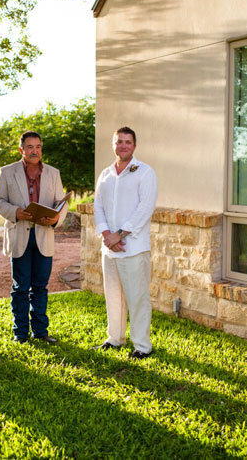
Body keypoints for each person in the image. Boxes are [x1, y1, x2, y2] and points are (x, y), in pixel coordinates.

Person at [0, 130, 68, 344]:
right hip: (19, 235)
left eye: (38, 147)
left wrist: (55, 219)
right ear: (21, 150)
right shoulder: (7, 172)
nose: (35, 151)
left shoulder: (53, 173)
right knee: (20, 287)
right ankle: (20, 333)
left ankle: (41, 332)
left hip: (44, 235)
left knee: (41, 287)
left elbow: (61, 204)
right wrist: (16, 212)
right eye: (30, 147)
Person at [93, 126, 158, 359]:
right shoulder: (105, 174)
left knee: (137, 298)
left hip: (133, 248)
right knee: (113, 295)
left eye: (127, 142)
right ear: (113, 144)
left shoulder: (145, 172)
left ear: (135, 145)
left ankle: (142, 345)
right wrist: (106, 235)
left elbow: (145, 208)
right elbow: (98, 206)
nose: (123, 145)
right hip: (109, 249)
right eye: (119, 141)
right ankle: (115, 338)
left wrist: (119, 235)